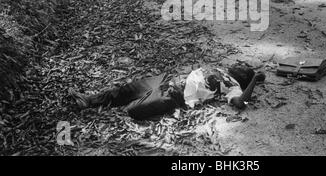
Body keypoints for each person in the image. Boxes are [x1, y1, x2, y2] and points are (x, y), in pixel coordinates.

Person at [69, 67, 265, 121]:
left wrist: (255, 80)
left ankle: (143, 100)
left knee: (133, 111)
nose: (238, 65)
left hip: (174, 96)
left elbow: (240, 103)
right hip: (167, 80)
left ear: (243, 77)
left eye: (243, 68)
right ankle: (89, 100)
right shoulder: (221, 68)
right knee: (125, 90)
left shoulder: (235, 87)